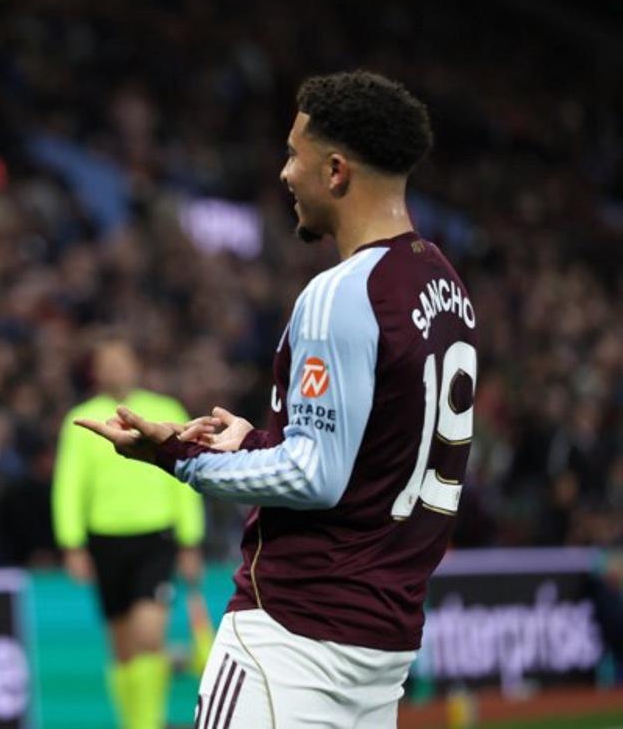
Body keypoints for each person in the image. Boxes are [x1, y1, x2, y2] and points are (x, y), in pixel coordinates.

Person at [77, 71, 477, 727]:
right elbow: (366, 456)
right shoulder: (446, 286)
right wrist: (257, 439)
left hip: (293, 640)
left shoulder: (344, 292)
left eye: (294, 153)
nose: (285, 172)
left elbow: (314, 474)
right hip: (382, 646)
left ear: (337, 170)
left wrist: (175, 454)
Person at [52, 337, 205, 729]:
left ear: (136, 365)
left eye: (123, 361)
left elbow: (186, 475)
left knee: (149, 635)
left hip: (156, 537)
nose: (117, 369)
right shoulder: (83, 419)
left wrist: (190, 539)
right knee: (122, 648)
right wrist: (72, 543)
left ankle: (148, 721)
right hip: (105, 540)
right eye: (108, 363)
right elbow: (69, 486)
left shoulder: (165, 410)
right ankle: (135, 721)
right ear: (96, 371)